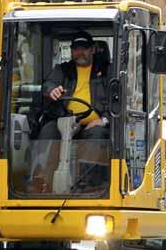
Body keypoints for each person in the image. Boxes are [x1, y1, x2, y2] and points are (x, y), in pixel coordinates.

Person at [32, 31, 111, 190]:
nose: (80, 52)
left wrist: (103, 120)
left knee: (98, 135)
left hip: (93, 125)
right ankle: (40, 180)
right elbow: (48, 84)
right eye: (76, 49)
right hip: (65, 121)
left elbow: (119, 100)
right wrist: (52, 90)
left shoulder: (107, 72)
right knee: (47, 130)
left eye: (84, 48)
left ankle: (88, 185)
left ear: (93, 50)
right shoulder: (63, 69)